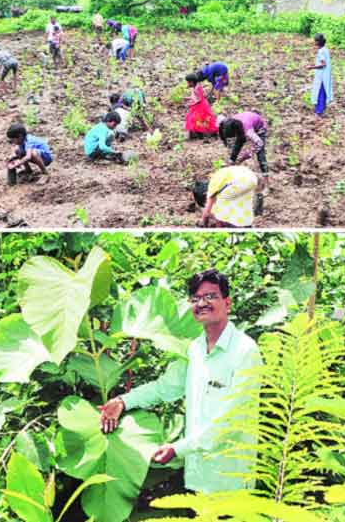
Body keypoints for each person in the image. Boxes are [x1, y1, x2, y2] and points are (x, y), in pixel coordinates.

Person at [98, 269, 262, 494]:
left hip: (230, 480)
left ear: (227, 303)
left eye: (210, 296)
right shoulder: (195, 349)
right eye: (195, 299)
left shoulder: (245, 351)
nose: (202, 303)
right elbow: (165, 387)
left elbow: (231, 420)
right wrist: (122, 401)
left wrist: (178, 449)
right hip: (198, 477)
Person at [194, 165, 260, 227]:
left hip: (242, 180)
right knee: (241, 202)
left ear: (205, 194)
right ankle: (246, 224)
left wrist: (203, 222)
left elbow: (207, 212)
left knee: (220, 202)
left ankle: (223, 224)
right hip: (252, 177)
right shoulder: (218, 179)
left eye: (205, 202)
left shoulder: (212, 187)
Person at [217, 112, 269, 186]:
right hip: (246, 122)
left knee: (260, 155)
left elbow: (260, 143)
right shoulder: (229, 122)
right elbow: (237, 143)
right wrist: (232, 159)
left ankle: (266, 182)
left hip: (259, 128)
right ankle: (231, 162)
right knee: (238, 143)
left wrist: (248, 154)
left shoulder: (248, 131)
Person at [307, 33, 333, 118]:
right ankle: (322, 108)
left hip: (322, 76)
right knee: (324, 91)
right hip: (326, 74)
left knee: (320, 92)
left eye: (315, 41)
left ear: (317, 42)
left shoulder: (321, 51)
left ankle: (319, 111)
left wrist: (311, 67)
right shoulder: (325, 49)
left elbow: (323, 64)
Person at [185, 72, 218, 138]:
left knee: (199, 118)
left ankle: (202, 133)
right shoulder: (195, 87)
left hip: (201, 106)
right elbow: (195, 96)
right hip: (197, 105)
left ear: (192, 82)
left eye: (188, 82)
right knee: (194, 118)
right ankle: (198, 133)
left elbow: (199, 98)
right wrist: (188, 98)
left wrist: (191, 103)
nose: (187, 84)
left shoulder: (198, 88)